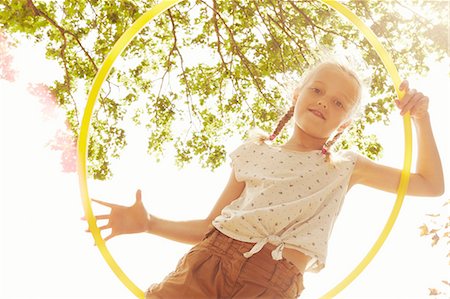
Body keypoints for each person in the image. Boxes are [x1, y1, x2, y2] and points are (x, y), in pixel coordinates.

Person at [84, 58, 444, 299]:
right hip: (209, 262)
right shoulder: (253, 152)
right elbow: (211, 225)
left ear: (345, 124)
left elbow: (430, 184)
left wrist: (420, 119)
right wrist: (149, 222)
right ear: (297, 94)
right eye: (317, 90)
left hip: (270, 282)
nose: (323, 102)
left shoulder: (345, 166)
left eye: (338, 103)